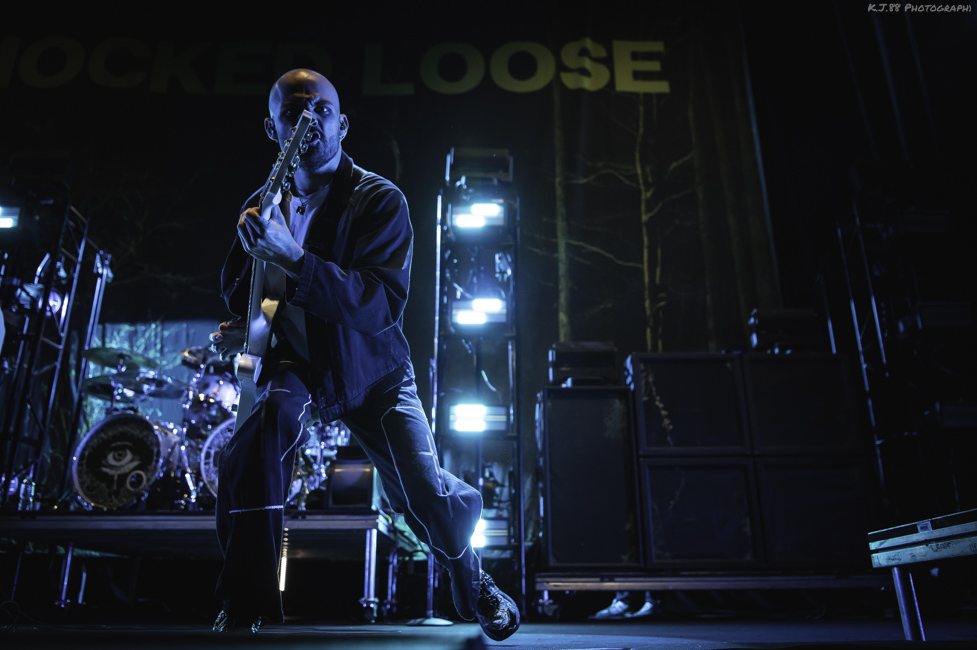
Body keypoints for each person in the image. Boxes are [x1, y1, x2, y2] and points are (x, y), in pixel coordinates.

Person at [209, 68, 519, 640]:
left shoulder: (379, 199)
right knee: (257, 438)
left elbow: (378, 305)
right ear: (273, 129)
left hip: (374, 371)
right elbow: (254, 293)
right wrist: (246, 323)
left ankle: (472, 578)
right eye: (293, 112)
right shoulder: (263, 204)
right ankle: (244, 600)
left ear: (343, 124)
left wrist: (293, 257)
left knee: (421, 494)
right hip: (298, 365)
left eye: (321, 110)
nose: (309, 121)